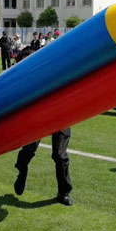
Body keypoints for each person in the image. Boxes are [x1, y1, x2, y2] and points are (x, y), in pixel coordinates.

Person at [13, 47, 73, 206]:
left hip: (59, 116)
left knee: (60, 156)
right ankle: (22, 169)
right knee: (28, 150)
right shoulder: (20, 81)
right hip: (37, 119)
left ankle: (64, 192)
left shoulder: (53, 73)